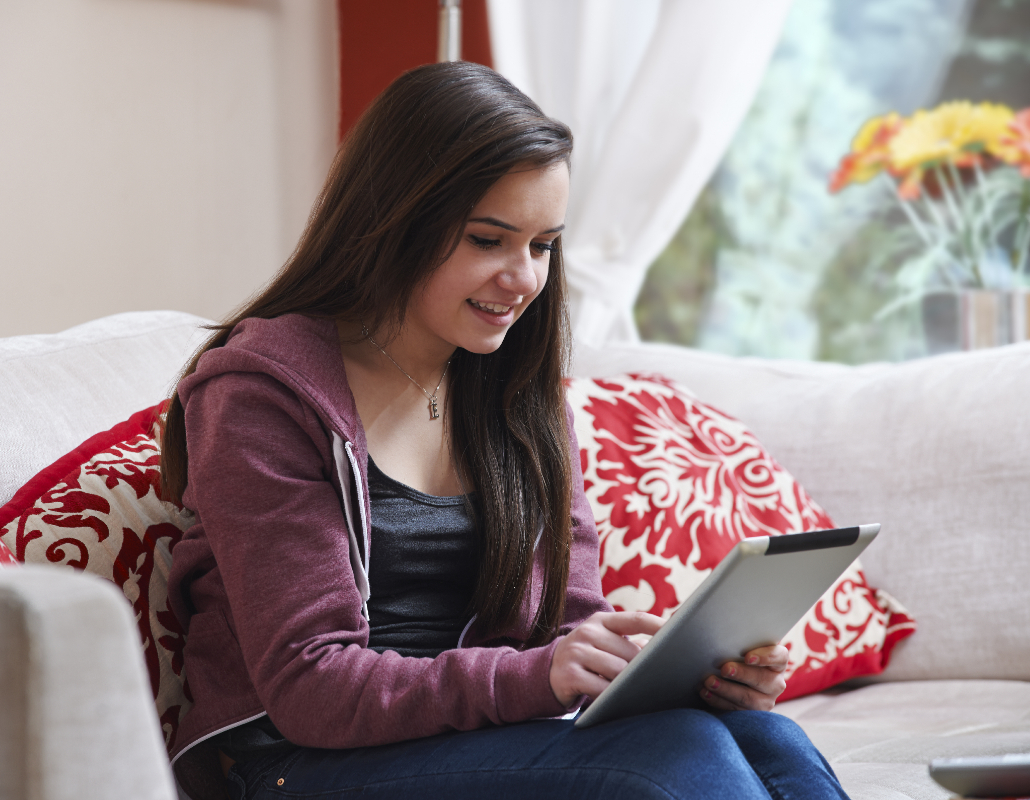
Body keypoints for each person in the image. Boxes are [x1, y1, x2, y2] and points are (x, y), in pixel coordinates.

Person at [160, 61, 848, 800]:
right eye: (489, 240)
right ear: (395, 220)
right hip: (299, 763)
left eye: (543, 245)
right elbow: (309, 685)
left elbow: (569, 625)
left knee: (766, 739)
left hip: (476, 741)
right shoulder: (262, 397)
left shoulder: (514, 393)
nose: (523, 278)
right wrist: (540, 675)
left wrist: (687, 677)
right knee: (672, 760)